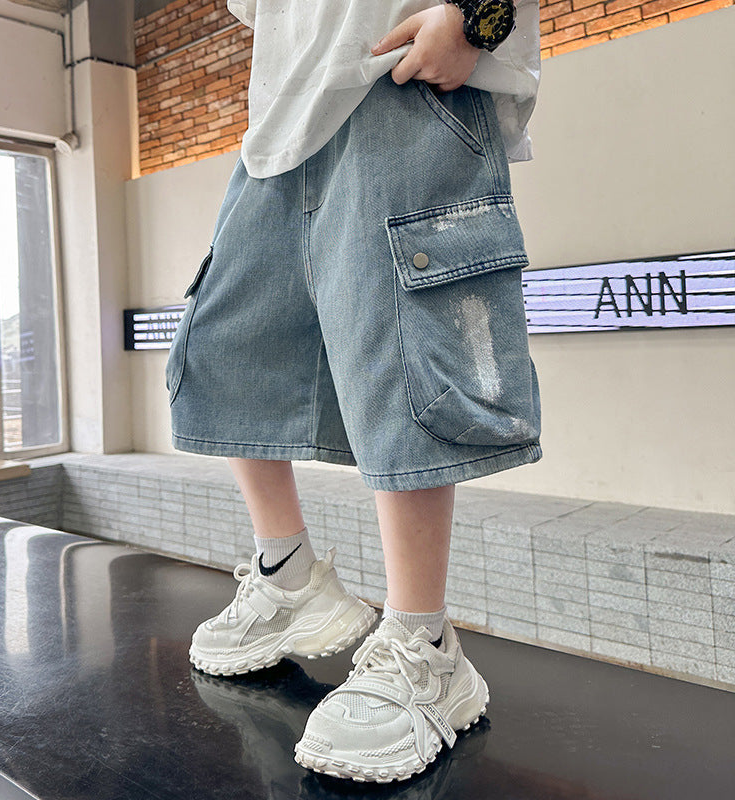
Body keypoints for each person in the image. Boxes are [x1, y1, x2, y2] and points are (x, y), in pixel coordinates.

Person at [165, 0, 542, 784]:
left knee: (403, 356)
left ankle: (425, 646)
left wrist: (477, 18)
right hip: (281, 121)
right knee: (223, 352)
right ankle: (288, 575)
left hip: (402, 83)